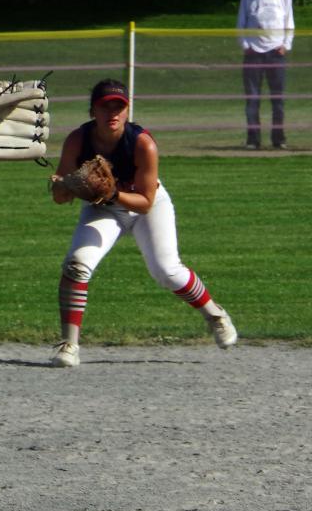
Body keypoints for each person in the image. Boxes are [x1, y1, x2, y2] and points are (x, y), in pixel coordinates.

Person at [48, 79, 237, 368]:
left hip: (147, 207)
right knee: (77, 264)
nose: (112, 112)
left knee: (167, 270)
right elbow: (60, 198)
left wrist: (110, 192)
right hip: (104, 210)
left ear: (127, 111)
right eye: (105, 106)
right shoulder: (77, 140)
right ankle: (69, 344)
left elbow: (146, 201)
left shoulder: (142, 143)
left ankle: (215, 315)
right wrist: (64, 186)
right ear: (92, 111)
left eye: (119, 106)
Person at [236, 0, 295, 149]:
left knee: (277, 100)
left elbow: (289, 22)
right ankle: (253, 140)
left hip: (276, 53)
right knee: (252, 99)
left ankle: (279, 139)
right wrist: (246, 45)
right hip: (254, 53)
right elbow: (241, 23)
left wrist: (286, 45)